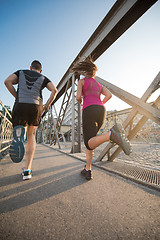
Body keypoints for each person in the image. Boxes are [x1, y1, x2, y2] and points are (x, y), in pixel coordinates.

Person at [71, 57, 131, 180]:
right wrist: (101, 102)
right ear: (94, 73)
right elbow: (109, 95)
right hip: (101, 110)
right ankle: (88, 169)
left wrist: (81, 101)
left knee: (88, 142)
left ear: (86, 72)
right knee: (92, 141)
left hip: (89, 110)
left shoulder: (82, 81)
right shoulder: (98, 84)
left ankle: (111, 135)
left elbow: (77, 96)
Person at [4, 60, 57, 180]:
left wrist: (16, 96)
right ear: (41, 70)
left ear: (30, 68)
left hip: (20, 104)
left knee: (20, 127)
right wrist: (47, 104)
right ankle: (27, 170)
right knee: (32, 135)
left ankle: (18, 135)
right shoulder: (44, 77)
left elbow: (7, 81)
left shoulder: (21, 72)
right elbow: (54, 90)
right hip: (36, 106)